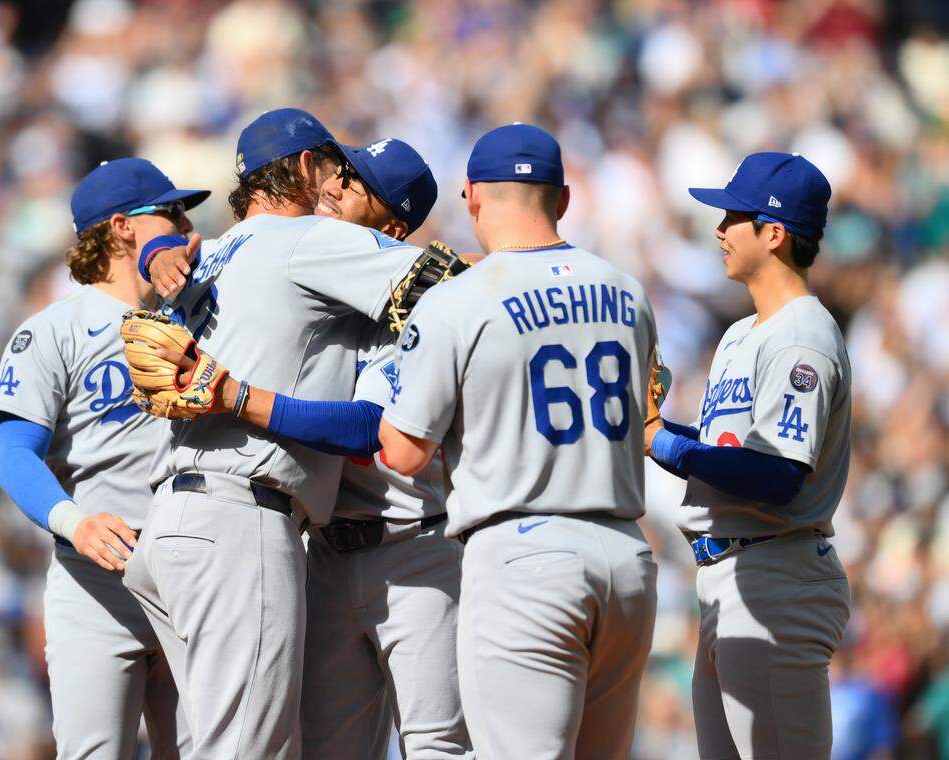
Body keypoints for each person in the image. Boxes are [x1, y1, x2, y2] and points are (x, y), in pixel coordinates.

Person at [119, 110, 453, 759]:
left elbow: (157, 251)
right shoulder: (308, 242)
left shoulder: (219, 250)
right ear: (305, 168)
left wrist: (159, 249)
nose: (334, 187)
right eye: (336, 170)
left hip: (182, 525)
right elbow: (456, 282)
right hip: (242, 521)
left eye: (353, 183)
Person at [378, 123, 659, 759]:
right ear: (562, 200)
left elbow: (404, 452)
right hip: (626, 558)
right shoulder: (627, 291)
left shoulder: (457, 300)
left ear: (471, 196)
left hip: (524, 557)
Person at [0, 157, 207, 759]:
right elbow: (15, 456)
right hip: (97, 578)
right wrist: (74, 521)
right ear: (122, 227)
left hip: (197, 567)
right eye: (170, 212)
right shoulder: (55, 328)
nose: (185, 226)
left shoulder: (200, 310)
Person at [646, 151, 852, 759]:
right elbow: (721, 452)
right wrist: (653, 429)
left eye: (732, 216)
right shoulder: (742, 333)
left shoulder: (802, 335)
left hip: (775, 580)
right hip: (728, 577)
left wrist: (663, 443)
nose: (718, 230)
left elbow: (778, 474)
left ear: (774, 231)